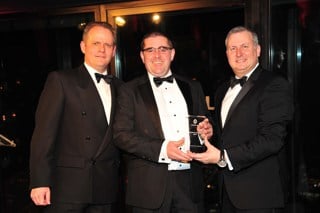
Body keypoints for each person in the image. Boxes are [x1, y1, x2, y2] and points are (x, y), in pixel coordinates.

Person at [189, 26, 293, 213]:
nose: (239, 53)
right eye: (233, 48)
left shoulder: (274, 85)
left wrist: (223, 157)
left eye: (245, 46)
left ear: (258, 50)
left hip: (260, 195)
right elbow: (226, 133)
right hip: (226, 193)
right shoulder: (222, 90)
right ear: (226, 53)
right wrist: (210, 131)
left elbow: (272, 140)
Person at [113, 31, 213, 213]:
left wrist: (207, 131)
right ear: (142, 56)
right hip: (148, 188)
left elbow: (204, 123)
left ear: (172, 54)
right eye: (150, 50)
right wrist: (163, 149)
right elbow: (121, 135)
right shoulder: (128, 90)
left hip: (190, 186)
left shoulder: (193, 86)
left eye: (162, 49)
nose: (157, 55)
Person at [29, 21, 123, 213]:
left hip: (105, 186)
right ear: (83, 47)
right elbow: (43, 136)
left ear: (114, 51)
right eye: (96, 43)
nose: (102, 49)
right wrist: (39, 182)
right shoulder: (61, 80)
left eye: (107, 45)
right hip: (67, 187)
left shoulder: (122, 88)